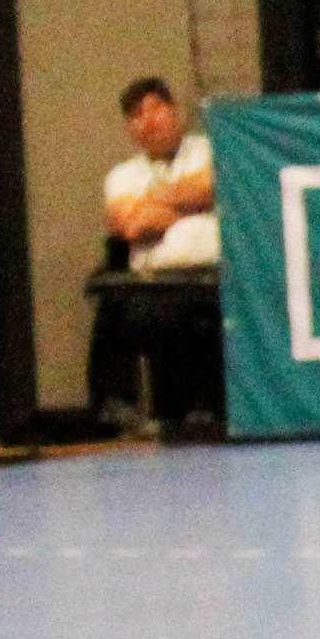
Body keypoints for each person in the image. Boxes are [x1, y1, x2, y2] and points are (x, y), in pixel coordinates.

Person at [93, 72, 221, 435]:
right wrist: (191, 203)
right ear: (130, 129)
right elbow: (131, 225)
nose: (148, 121)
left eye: (155, 108)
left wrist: (154, 200)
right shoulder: (122, 175)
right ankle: (123, 405)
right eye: (137, 115)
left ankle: (210, 409)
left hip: (214, 281)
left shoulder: (209, 150)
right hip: (155, 287)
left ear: (174, 110)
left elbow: (216, 185)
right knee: (117, 299)